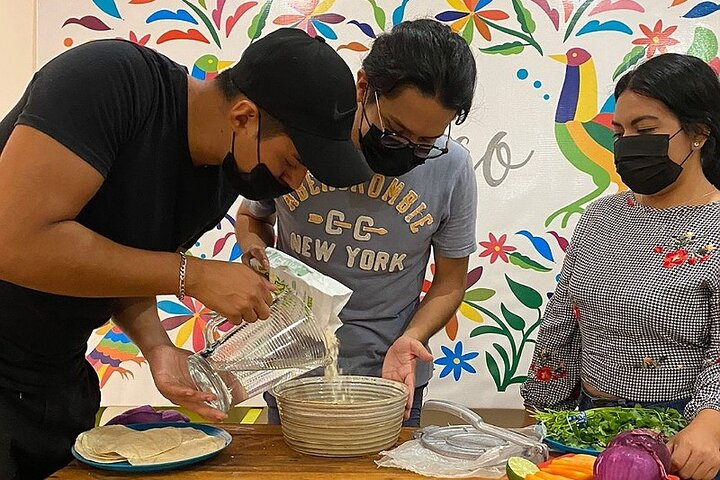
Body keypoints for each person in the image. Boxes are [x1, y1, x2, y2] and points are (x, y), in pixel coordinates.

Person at [0, 28, 372, 479]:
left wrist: (159, 348)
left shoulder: (218, 177)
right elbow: (14, 241)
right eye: (292, 161)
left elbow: (117, 265)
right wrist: (192, 275)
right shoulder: (110, 82)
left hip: (53, 377)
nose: (293, 182)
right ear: (243, 117)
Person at [235, 19, 478, 427]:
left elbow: (451, 281)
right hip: (292, 367)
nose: (409, 151)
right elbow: (252, 216)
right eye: (396, 132)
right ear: (363, 87)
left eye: (426, 142)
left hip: (390, 377)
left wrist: (413, 338)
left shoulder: (452, 168)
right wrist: (253, 254)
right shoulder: (302, 144)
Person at [521, 53, 720, 480]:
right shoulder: (601, 217)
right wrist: (540, 414)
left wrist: (710, 423)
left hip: (684, 444)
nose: (627, 142)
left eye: (645, 130)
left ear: (699, 132)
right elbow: (562, 321)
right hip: (586, 433)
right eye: (619, 131)